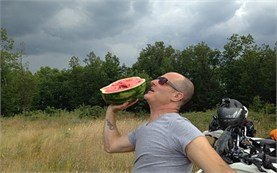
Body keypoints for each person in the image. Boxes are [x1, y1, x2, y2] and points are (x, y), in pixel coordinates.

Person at [103, 72, 235, 173]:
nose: (153, 81)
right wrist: (111, 111)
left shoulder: (180, 127)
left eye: (163, 81)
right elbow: (111, 146)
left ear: (176, 96)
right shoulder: (143, 129)